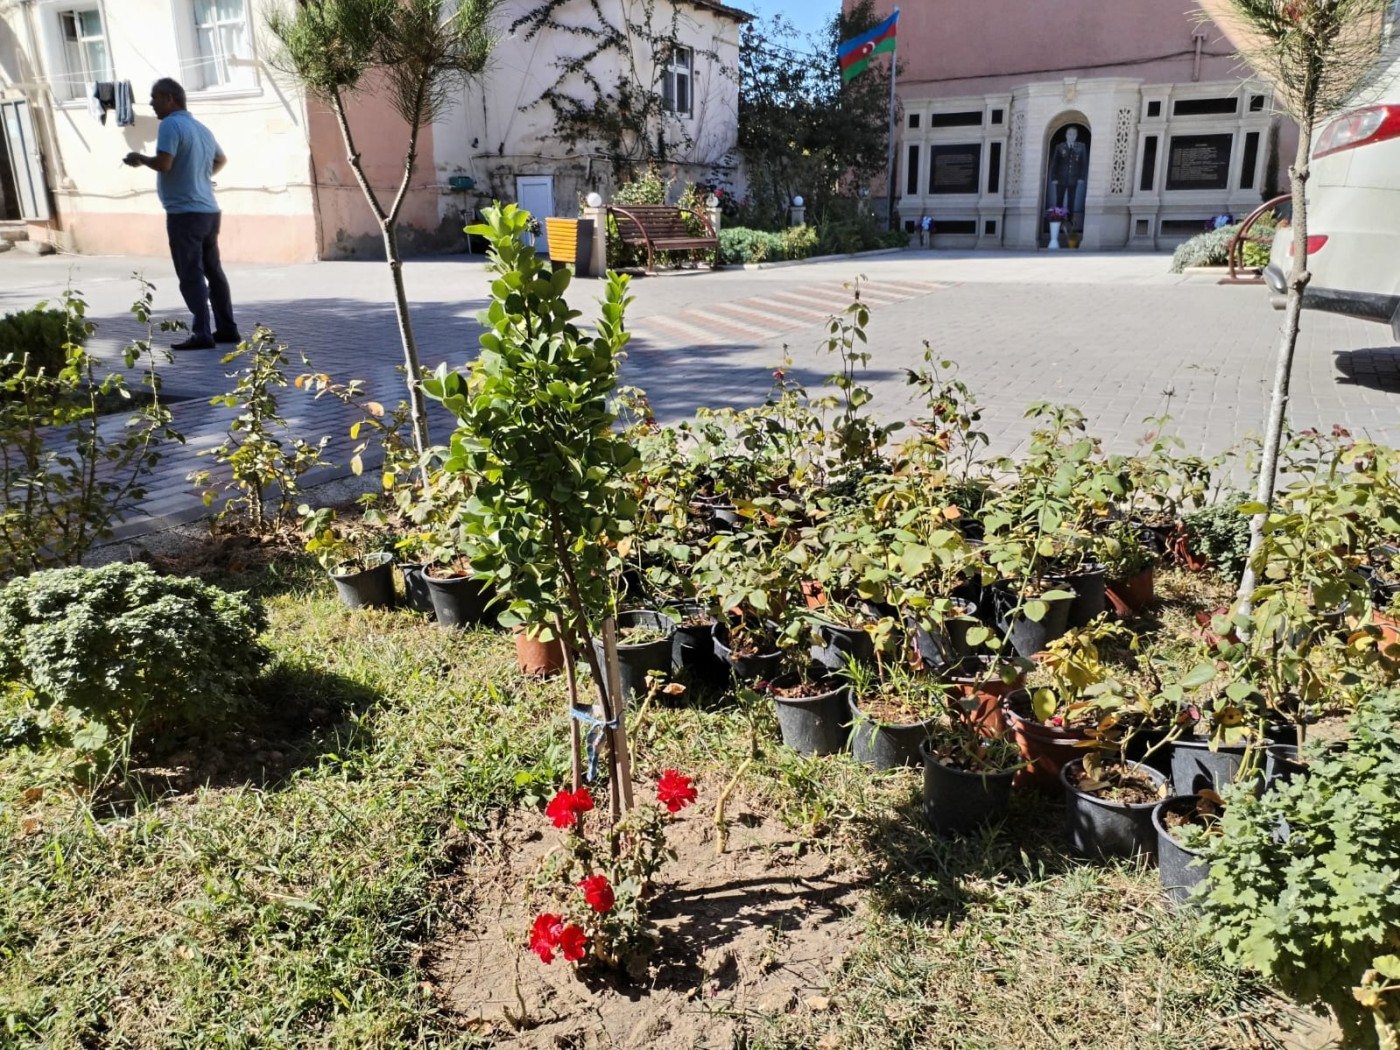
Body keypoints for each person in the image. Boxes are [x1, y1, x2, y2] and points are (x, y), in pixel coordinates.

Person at [123, 78, 239, 350]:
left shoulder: (170, 125)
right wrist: (198, 176)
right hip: (209, 211)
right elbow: (220, 159)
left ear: (169, 98)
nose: (151, 103)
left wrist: (140, 159)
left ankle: (202, 333)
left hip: (184, 214)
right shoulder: (201, 128)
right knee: (214, 272)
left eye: (154, 97)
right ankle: (227, 329)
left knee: (191, 274)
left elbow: (164, 164)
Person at [1048, 126, 1089, 217]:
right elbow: (1055, 163)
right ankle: (1058, 219)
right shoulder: (1059, 147)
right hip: (1060, 178)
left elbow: (1083, 164)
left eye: (1074, 134)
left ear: (1076, 136)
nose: (1072, 136)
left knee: (1071, 200)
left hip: (1074, 179)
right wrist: (1054, 177)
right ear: (1066, 135)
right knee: (1059, 199)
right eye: (1070, 134)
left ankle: (1070, 221)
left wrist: (1081, 177)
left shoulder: (1081, 147)